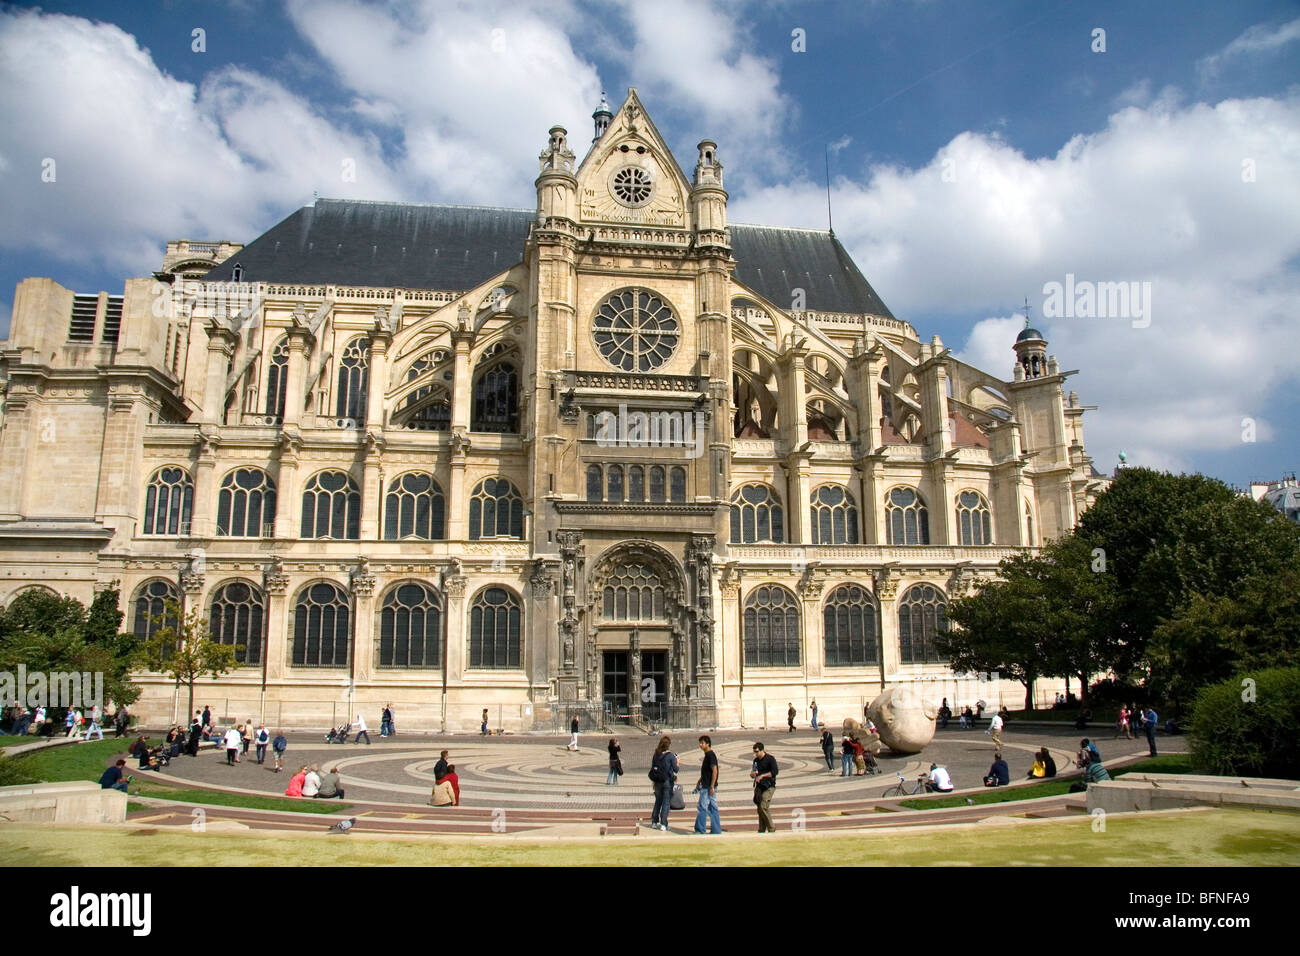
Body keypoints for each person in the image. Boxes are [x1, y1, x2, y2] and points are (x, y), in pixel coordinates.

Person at [694, 735, 722, 834]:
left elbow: (715, 771)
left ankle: (700, 829)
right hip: (707, 785)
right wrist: (699, 781)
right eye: (700, 743)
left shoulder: (710, 755)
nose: (700, 745)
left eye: (702, 743)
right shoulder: (708, 755)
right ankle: (716, 830)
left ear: (707, 744)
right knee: (712, 808)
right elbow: (707, 772)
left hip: (708, 787)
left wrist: (711, 786)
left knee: (702, 807)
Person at [649, 736, 677, 831]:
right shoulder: (670, 756)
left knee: (658, 801)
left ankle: (654, 822)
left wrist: (654, 781)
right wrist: (677, 762)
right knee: (666, 803)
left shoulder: (656, 754)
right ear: (668, 745)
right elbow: (676, 769)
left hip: (657, 781)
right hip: (667, 781)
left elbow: (653, 767)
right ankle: (664, 824)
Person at [750, 742, 778, 833]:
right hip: (759, 787)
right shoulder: (756, 761)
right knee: (759, 809)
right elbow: (753, 771)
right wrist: (752, 774)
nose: (756, 754)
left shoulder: (770, 759)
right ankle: (761, 829)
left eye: (757, 752)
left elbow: (775, 772)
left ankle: (771, 827)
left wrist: (763, 776)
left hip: (769, 786)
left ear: (762, 750)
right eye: (754, 752)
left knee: (763, 806)